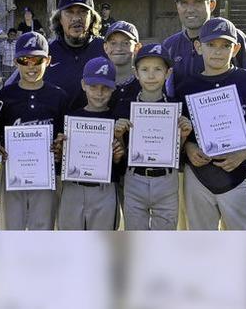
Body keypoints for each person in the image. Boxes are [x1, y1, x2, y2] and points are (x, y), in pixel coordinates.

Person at [176, 18, 246, 230]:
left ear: (235, 49)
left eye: (225, 45)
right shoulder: (187, 86)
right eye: (211, 45)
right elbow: (181, 132)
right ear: (199, 47)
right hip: (197, 176)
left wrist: (245, 153)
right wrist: (189, 148)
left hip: (238, 172)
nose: (218, 51)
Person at [113, 44, 192, 230]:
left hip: (167, 179)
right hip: (134, 179)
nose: (151, 75)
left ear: (168, 73)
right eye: (145, 69)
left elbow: (175, 152)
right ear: (136, 72)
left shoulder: (176, 107)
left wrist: (184, 136)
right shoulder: (125, 106)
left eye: (158, 69)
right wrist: (118, 135)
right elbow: (121, 154)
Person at [0, 32, 68, 230]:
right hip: (12, 173)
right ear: (15, 61)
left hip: (46, 174)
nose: (31, 66)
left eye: (37, 60)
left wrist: (61, 146)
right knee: (12, 228)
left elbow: (64, 138)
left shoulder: (58, 96)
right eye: (24, 60)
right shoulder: (4, 95)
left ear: (48, 60)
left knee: (43, 227)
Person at [163, 0, 246, 98]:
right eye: (184, 3)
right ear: (177, 6)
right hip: (182, 116)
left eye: (198, 2)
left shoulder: (233, 38)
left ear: (212, 5)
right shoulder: (169, 45)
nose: (190, 9)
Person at [55, 56, 124, 230]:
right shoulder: (71, 119)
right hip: (73, 187)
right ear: (83, 85)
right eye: (93, 86)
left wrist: (117, 156)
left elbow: (121, 163)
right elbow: (62, 159)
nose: (99, 93)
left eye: (105, 88)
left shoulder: (117, 120)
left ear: (113, 88)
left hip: (105, 189)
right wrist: (60, 150)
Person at [103, 20, 142, 224]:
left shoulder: (147, 85)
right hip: (103, 172)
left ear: (137, 47)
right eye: (113, 42)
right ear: (105, 47)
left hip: (136, 173)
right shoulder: (97, 86)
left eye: (126, 42)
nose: (119, 47)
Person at [44, 0, 106, 111]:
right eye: (69, 12)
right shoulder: (45, 53)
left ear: (92, 18)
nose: (76, 18)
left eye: (83, 12)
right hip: (57, 129)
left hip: (97, 127)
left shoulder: (106, 49)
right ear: (59, 19)